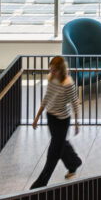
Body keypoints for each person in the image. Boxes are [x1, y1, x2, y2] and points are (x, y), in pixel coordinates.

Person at [30, 55, 82, 188]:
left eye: (55, 70)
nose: (52, 72)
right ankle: (74, 162)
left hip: (62, 120)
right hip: (51, 117)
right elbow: (47, 97)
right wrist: (37, 116)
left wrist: (76, 123)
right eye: (51, 69)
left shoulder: (68, 83)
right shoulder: (51, 78)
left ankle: (39, 185)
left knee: (53, 153)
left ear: (61, 70)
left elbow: (75, 103)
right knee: (60, 145)